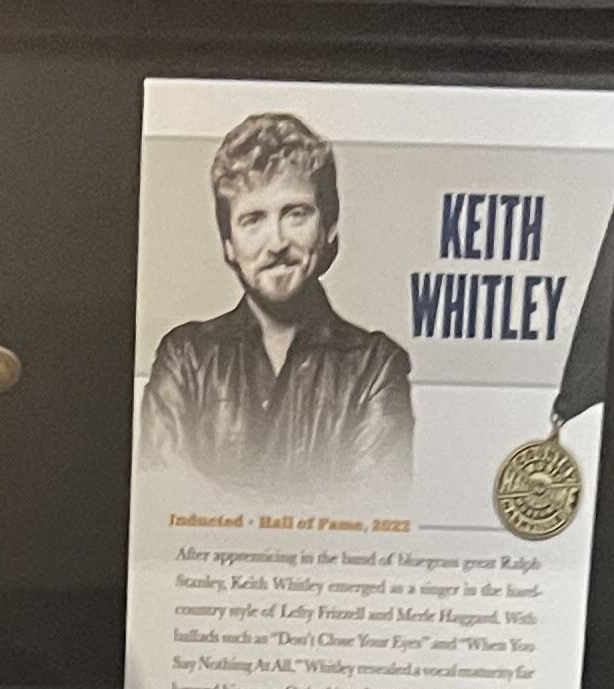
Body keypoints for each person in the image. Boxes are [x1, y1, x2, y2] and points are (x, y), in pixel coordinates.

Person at [138, 111, 412, 498]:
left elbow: (372, 510)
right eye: (253, 219)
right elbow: (163, 498)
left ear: (329, 227)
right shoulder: (186, 358)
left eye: (296, 214)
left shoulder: (376, 367)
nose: (277, 242)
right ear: (228, 244)